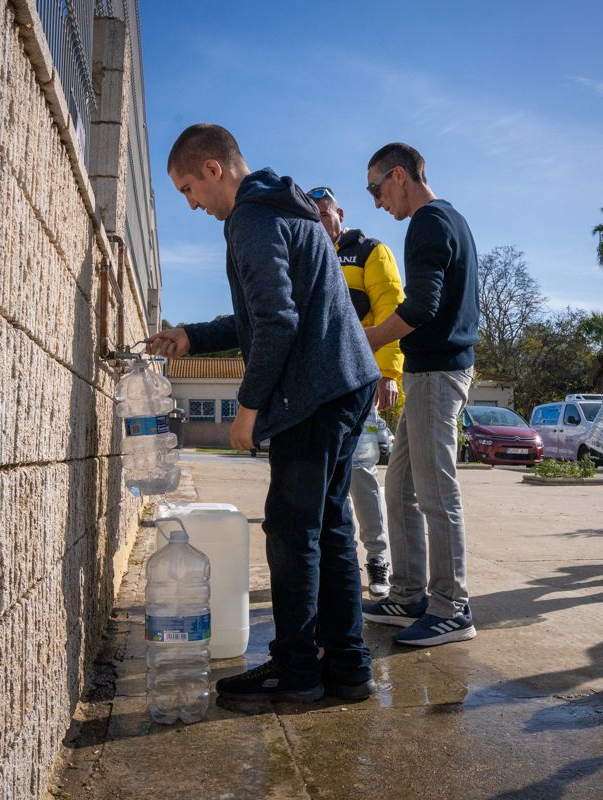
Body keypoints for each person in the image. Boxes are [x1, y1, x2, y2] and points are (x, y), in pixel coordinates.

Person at [146, 124, 381, 703]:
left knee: (292, 530)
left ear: (213, 169)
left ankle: (297, 668)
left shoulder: (251, 219)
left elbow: (277, 322)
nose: (190, 204)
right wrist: (191, 337)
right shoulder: (284, 207)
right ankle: (347, 666)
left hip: (314, 390)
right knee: (328, 528)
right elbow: (258, 317)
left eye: (186, 189)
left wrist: (247, 410)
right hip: (345, 382)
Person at [358, 142, 480, 646]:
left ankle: (453, 607)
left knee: (435, 491)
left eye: (376, 188)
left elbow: (424, 305)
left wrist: (362, 341)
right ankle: (408, 593)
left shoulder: (428, 222)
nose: (377, 201)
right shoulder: (447, 220)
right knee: (401, 484)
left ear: (400, 175)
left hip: (437, 375)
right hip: (427, 373)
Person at [308, 184, 405, 598]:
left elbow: (391, 309)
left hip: (361, 383)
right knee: (322, 478)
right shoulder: (306, 255)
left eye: (325, 214)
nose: (320, 223)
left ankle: (378, 560)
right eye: (312, 217)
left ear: (340, 213)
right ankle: (336, 564)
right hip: (317, 386)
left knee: (362, 474)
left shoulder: (369, 251)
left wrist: (388, 372)